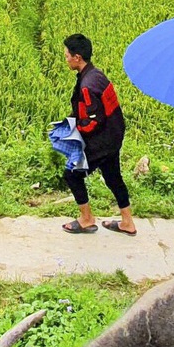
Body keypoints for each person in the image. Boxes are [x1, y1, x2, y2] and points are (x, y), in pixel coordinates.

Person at [59, 34, 135, 236]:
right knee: (112, 177)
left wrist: (74, 133)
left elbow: (93, 120)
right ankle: (127, 222)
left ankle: (86, 219)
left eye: (67, 55)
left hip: (101, 141)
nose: (65, 58)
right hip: (114, 136)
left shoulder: (87, 85)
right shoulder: (96, 75)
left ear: (77, 57)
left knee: (72, 175)